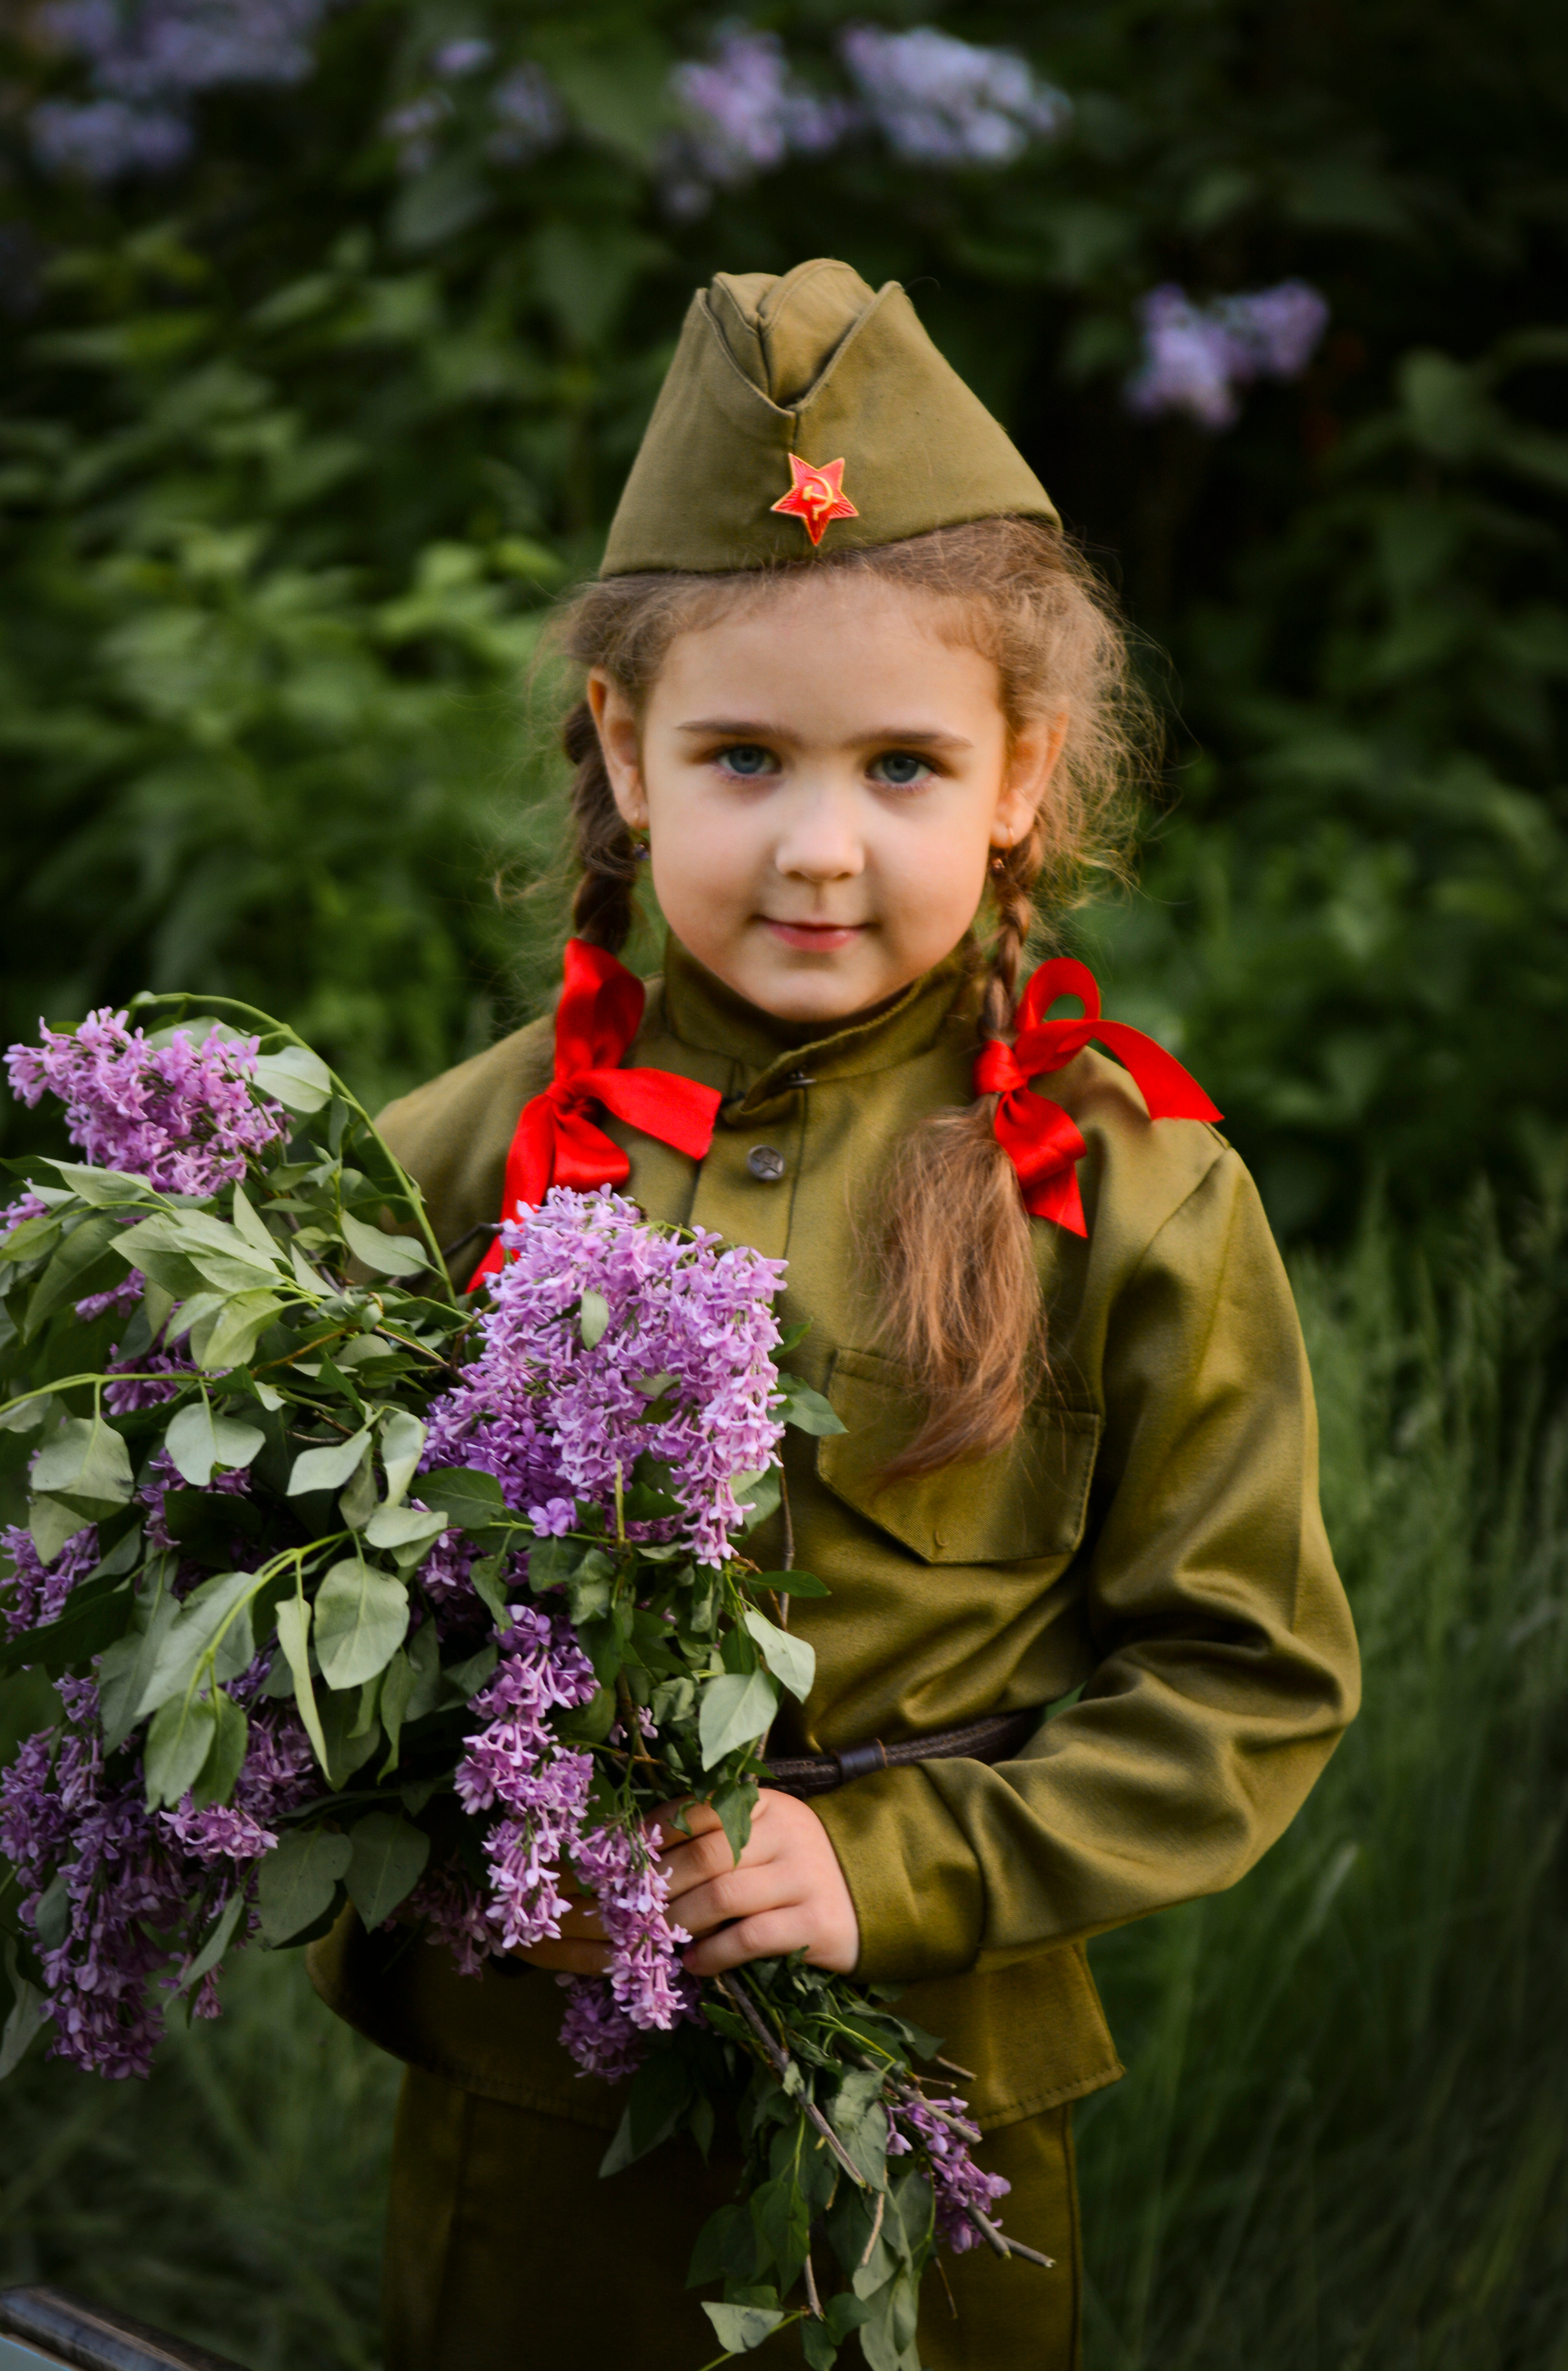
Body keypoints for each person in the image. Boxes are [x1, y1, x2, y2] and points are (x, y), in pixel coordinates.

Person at [308, 257, 1361, 2371]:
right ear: (623, 751)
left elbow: (1245, 1681)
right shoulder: (445, 1165)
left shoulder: (1131, 1198)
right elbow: (300, 1616)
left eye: (898, 766)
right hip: (540, 2129)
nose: (815, 847)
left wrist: (889, 1867)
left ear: (1020, 776)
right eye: (742, 757)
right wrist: (448, 1807)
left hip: (932, 2118)